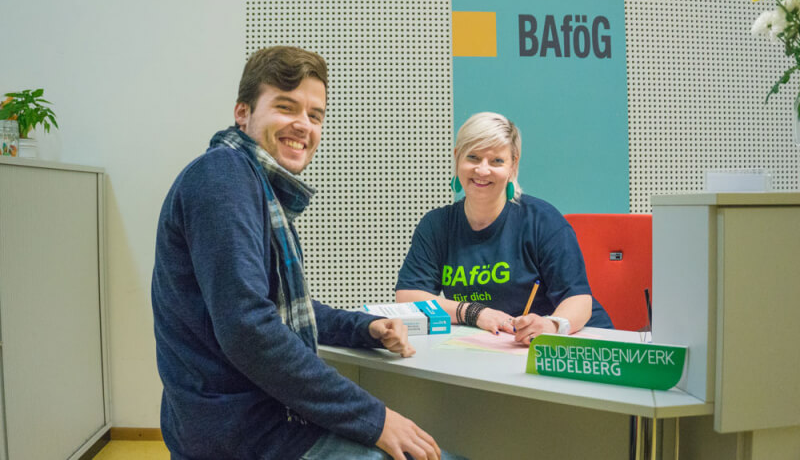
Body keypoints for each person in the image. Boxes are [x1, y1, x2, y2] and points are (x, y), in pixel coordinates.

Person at [152, 46, 456, 460]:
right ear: (243, 112)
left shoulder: (253, 183)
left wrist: (364, 328)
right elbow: (249, 327)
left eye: (315, 115)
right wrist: (376, 419)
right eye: (286, 107)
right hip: (246, 438)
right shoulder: (223, 175)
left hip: (246, 427)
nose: (304, 125)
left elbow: (275, 306)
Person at [395, 112, 613, 344]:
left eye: (497, 161)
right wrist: (475, 313)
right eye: (473, 157)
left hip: (571, 345)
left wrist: (552, 325)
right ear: (457, 157)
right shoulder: (437, 224)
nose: (482, 170)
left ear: (513, 165)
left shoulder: (543, 221)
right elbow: (409, 297)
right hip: (494, 347)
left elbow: (579, 300)